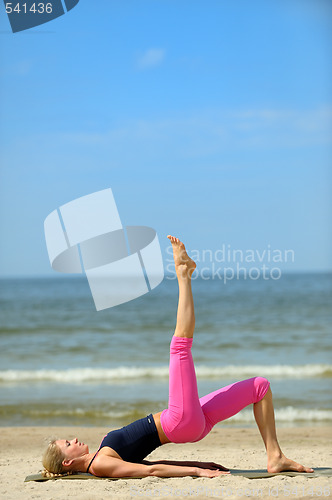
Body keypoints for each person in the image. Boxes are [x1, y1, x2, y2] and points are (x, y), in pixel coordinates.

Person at [42, 235, 314, 479]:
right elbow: (151, 471)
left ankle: (275, 456)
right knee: (179, 346)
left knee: (260, 387)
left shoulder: (101, 454)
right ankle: (183, 273)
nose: (73, 439)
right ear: (67, 462)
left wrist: (198, 462)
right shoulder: (100, 464)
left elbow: (153, 461)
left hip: (191, 420)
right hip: (179, 420)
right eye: (68, 443)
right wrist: (195, 471)